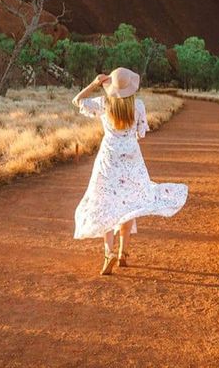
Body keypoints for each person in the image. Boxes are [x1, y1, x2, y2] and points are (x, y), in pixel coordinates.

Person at [72, 67, 188, 276]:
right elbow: (141, 133)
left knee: (106, 203)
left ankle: (109, 254)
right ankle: (123, 254)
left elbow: (77, 101)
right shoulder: (138, 105)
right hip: (132, 158)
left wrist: (95, 83)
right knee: (129, 202)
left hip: (108, 158)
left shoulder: (103, 103)